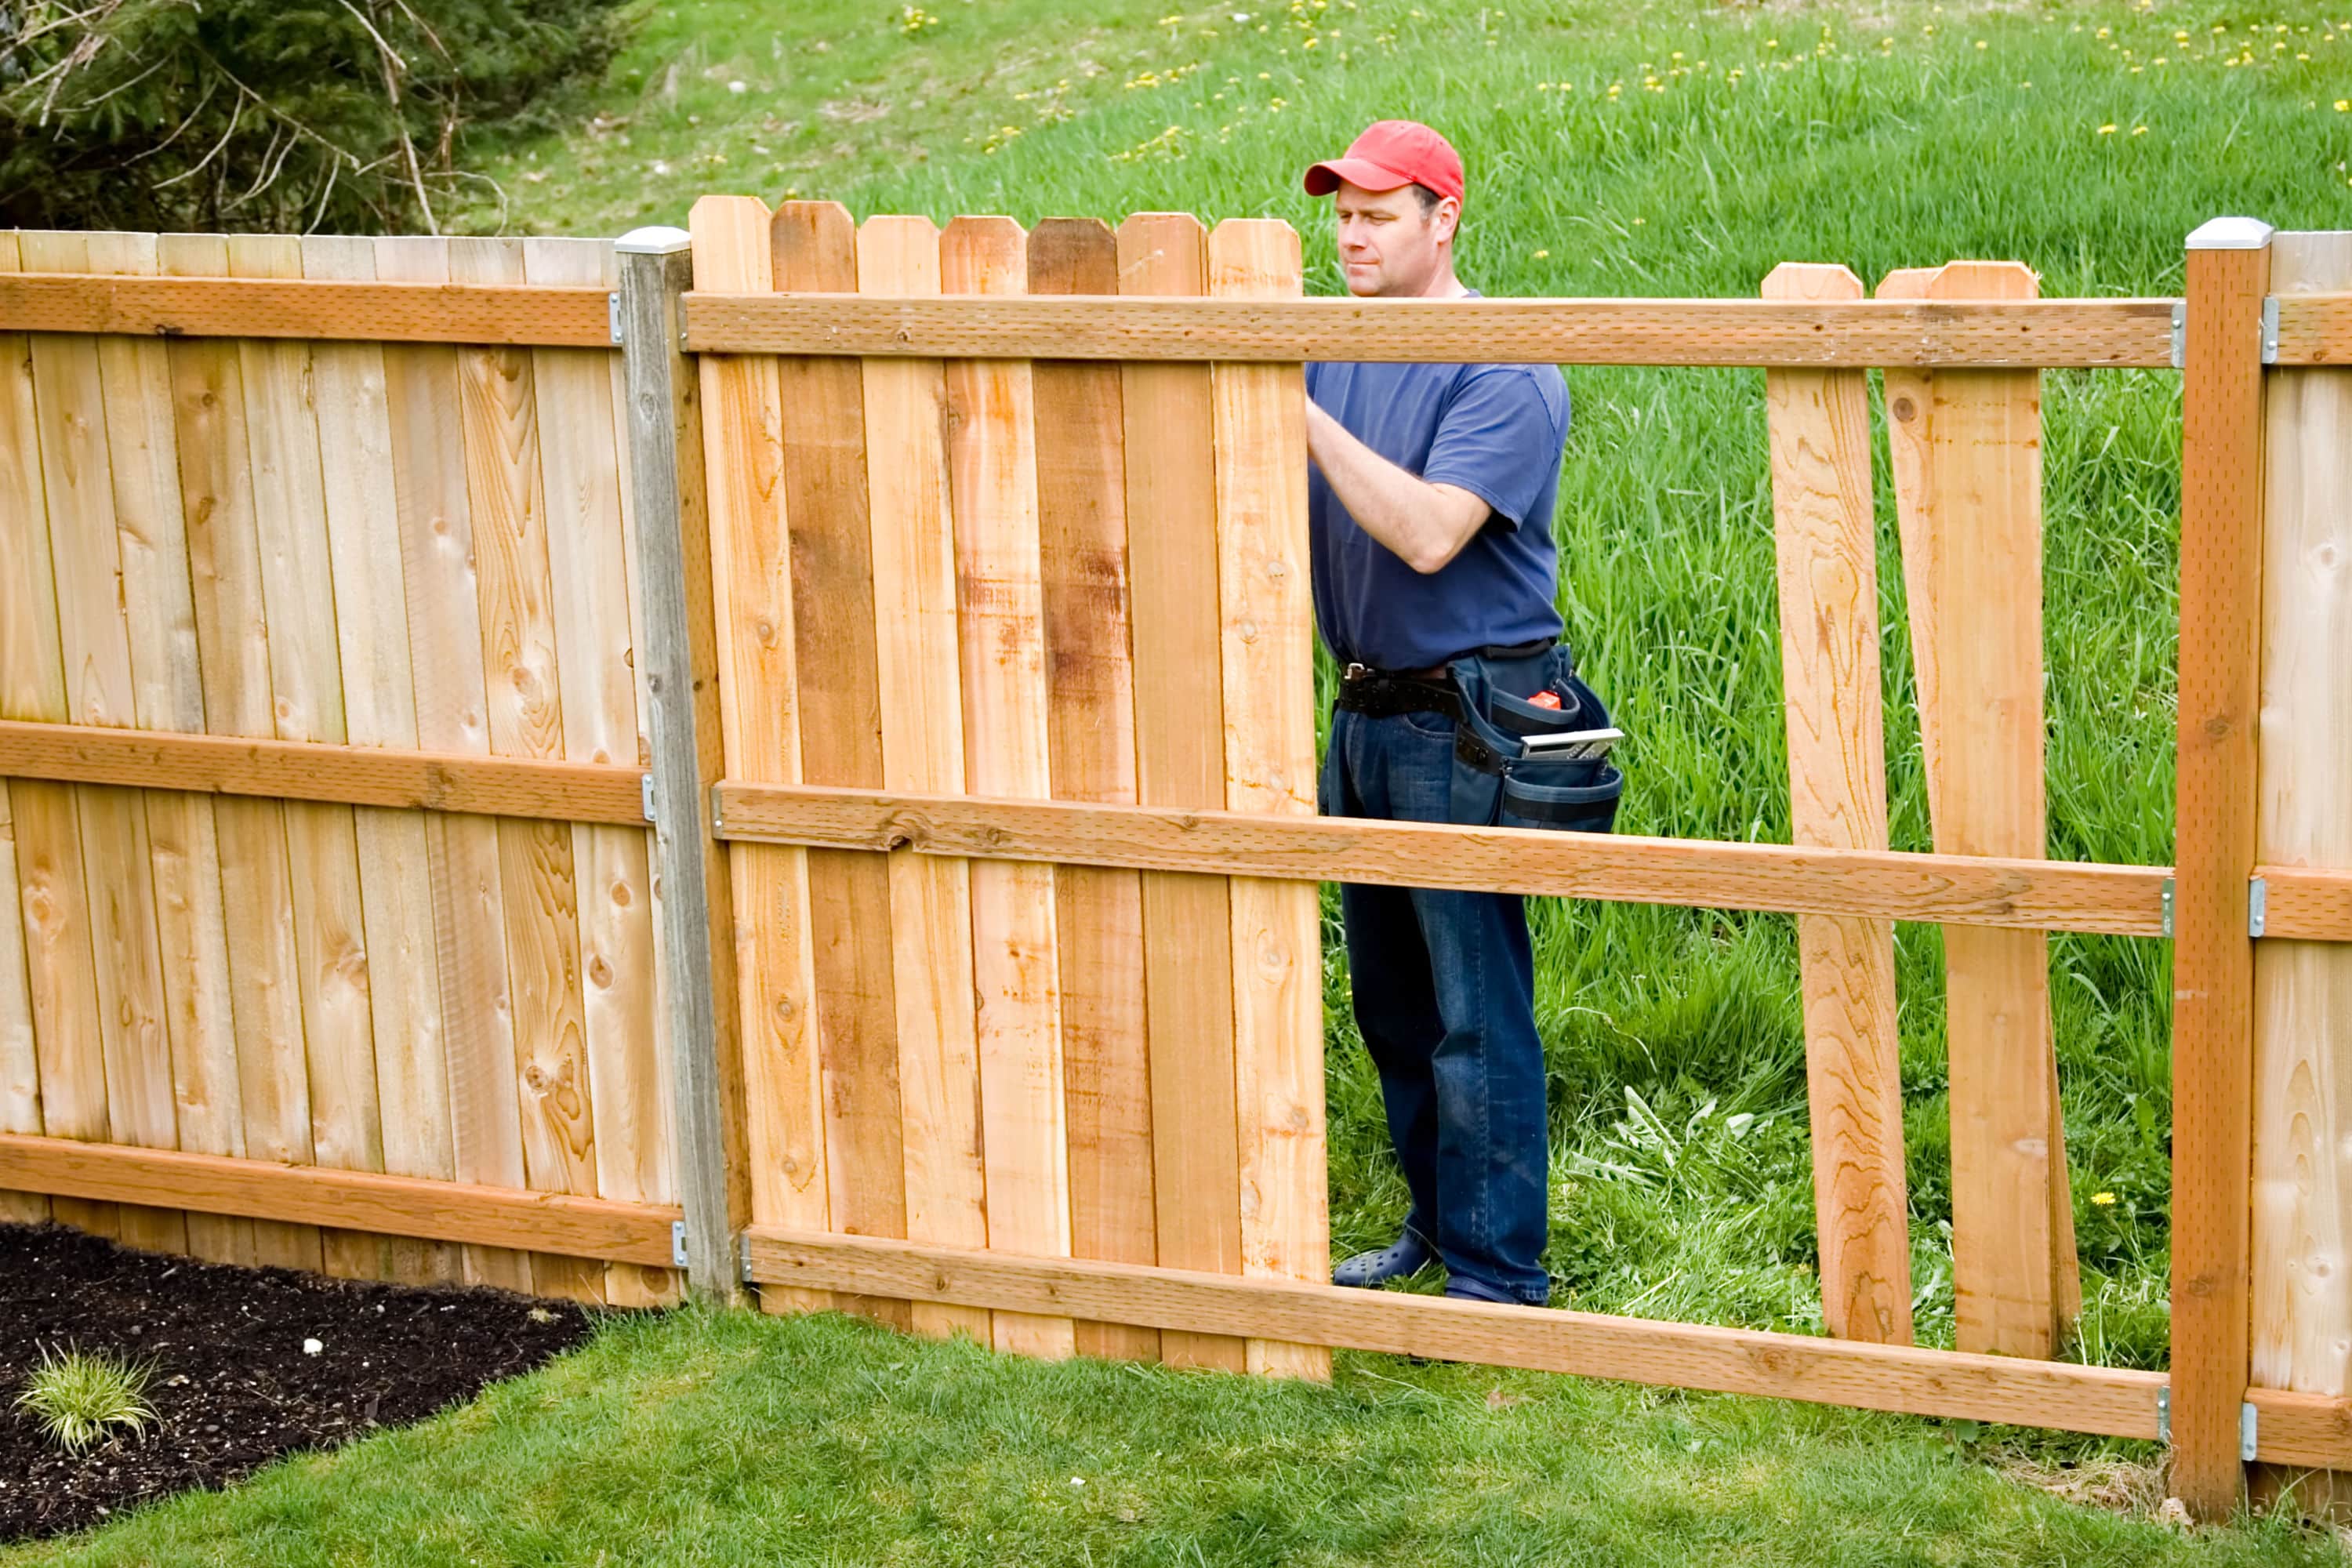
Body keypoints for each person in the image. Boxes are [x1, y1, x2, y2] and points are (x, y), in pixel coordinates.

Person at [1302, 120, 1573, 1307]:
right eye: (1343, 216)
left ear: (1442, 219)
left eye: (1377, 215)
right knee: (1393, 1004)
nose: (1351, 236)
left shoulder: (1503, 364)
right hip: (1364, 711)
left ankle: (1500, 1274)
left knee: (1474, 1011)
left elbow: (1425, 535)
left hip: (1467, 716)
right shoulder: (1329, 349)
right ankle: (1435, 1226)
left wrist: (1287, 408)